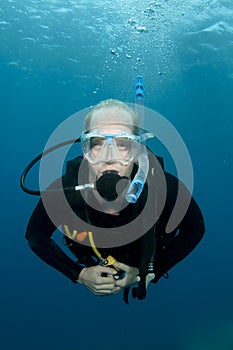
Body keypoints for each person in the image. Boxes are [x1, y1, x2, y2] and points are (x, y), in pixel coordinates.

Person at [25, 99, 205, 303]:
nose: (109, 157)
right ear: (85, 150)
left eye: (123, 144)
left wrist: (143, 274)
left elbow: (195, 229)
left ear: (137, 151)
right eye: (97, 143)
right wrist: (80, 275)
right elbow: (35, 235)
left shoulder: (162, 188)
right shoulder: (64, 191)